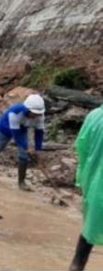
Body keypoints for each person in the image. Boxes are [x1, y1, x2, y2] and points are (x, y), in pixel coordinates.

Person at [0, 94, 46, 191]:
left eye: (38, 113)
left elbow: (39, 133)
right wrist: (27, 147)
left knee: (23, 155)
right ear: (27, 109)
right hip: (4, 129)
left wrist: (38, 149)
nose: (35, 116)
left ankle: (21, 182)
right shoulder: (15, 112)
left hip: (21, 129)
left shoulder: (40, 117)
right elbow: (16, 136)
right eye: (34, 113)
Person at [68, 105, 103, 271]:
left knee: (89, 227)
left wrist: (81, 181)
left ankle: (76, 266)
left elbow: (82, 150)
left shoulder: (94, 116)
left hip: (95, 185)